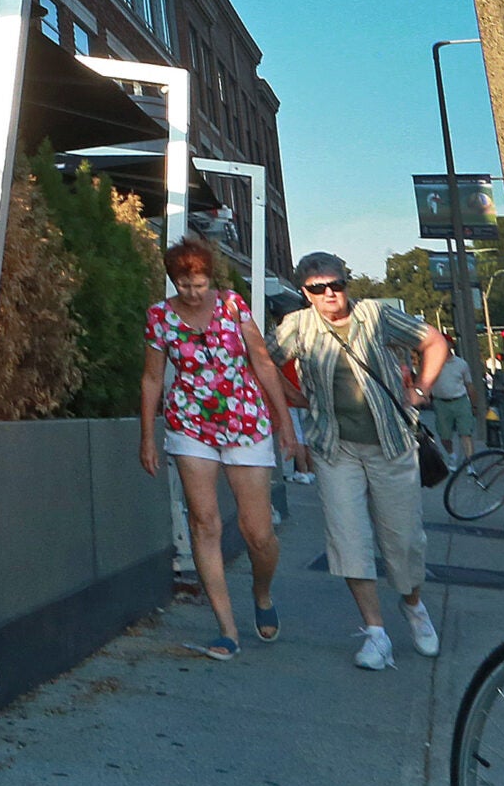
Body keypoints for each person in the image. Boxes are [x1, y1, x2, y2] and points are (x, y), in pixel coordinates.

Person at [271, 252, 453, 670]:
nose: (329, 293)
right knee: (348, 539)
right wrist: (291, 395)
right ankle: (375, 633)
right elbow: (262, 360)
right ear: (305, 292)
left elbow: (434, 342)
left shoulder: (375, 315)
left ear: (347, 284)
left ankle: (413, 606)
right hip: (336, 449)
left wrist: (421, 389)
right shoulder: (297, 326)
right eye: (318, 288)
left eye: (336, 284)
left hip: (390, 443)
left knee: (403, 538)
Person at [138, 236, 301, 659]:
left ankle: (261, 594)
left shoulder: (232, 306)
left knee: (258, 532)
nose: (193, 292)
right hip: (190, 425)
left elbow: (263, 360)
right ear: (173, 280)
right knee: (204, 523)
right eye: (184, 284)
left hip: (245, 420)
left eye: (200, 283)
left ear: (211, 278)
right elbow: (152, 378)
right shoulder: (160, 317)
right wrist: (147, 436)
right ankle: (226, 628)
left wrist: (284, 421)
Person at [429, 346, 476, 467]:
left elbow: (469, 384)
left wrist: (474, 404)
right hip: (441, 403)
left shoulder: (461, 364)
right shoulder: (432, 363)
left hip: (460, 400)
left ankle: (469, 462)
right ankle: (451, 455)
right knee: (444, 435)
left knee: (465, 433)